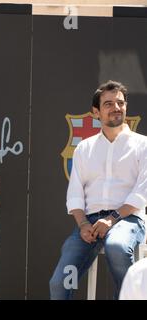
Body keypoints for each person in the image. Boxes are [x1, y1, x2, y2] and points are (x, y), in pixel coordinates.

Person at [49, 80, 147, 299]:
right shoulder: (84, 148)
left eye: (120, 103)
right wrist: (83, 224)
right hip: (89, 226)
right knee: (60, 283)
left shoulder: (143, 145)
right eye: (108, 104)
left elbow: (142, 192)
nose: (116, 108)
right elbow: (74, 194)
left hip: (128, 221)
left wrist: (111, 219)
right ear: (96, 112)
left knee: (116, 246)